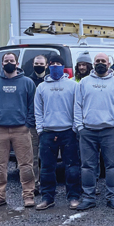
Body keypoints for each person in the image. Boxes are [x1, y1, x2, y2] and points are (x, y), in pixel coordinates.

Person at [0, 52, 36, 208]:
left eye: (12, 60)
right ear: (2, 63)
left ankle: (28, 196)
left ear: (17, 64)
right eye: (6, 61)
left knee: (26, 165)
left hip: (21, 130)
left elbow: (32, 106)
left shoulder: (27, 83)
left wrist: (28, 125)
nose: (9, 63)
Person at [74, 53, 114, 210]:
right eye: (97, 61)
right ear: (93, 63)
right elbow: (77, 106)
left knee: (112, 166)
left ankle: (113, 197)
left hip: (109, 132)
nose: (100, 63)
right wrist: (80, 127)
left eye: (103, 61)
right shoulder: (84, 82)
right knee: (87, 166)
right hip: (88, 131)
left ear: (108, 63)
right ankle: (88, 197)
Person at [34, 55, 82, 210]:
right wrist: (40, 129)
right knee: (47, 168)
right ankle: (47, 198)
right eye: (53, 63)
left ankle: (73, 196)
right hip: (48, 133)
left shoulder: (72, 85)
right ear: (48, 66)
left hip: (68, 132)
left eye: (58, 64)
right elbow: (38, 110)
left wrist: (75, 127)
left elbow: (77, 107)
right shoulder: (41, 87)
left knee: (72, 167)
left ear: (63, 66)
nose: (55, 66)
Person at [27, 54, 48, 194]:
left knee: (47, 156)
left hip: (49, 125)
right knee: (33, 156)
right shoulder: (28, 81)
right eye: (36, 63)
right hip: (33, 124)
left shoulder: (50, 80)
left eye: (41, 63)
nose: (38, 66)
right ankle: (34, 184)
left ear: (46, 65)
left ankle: (47, 182)